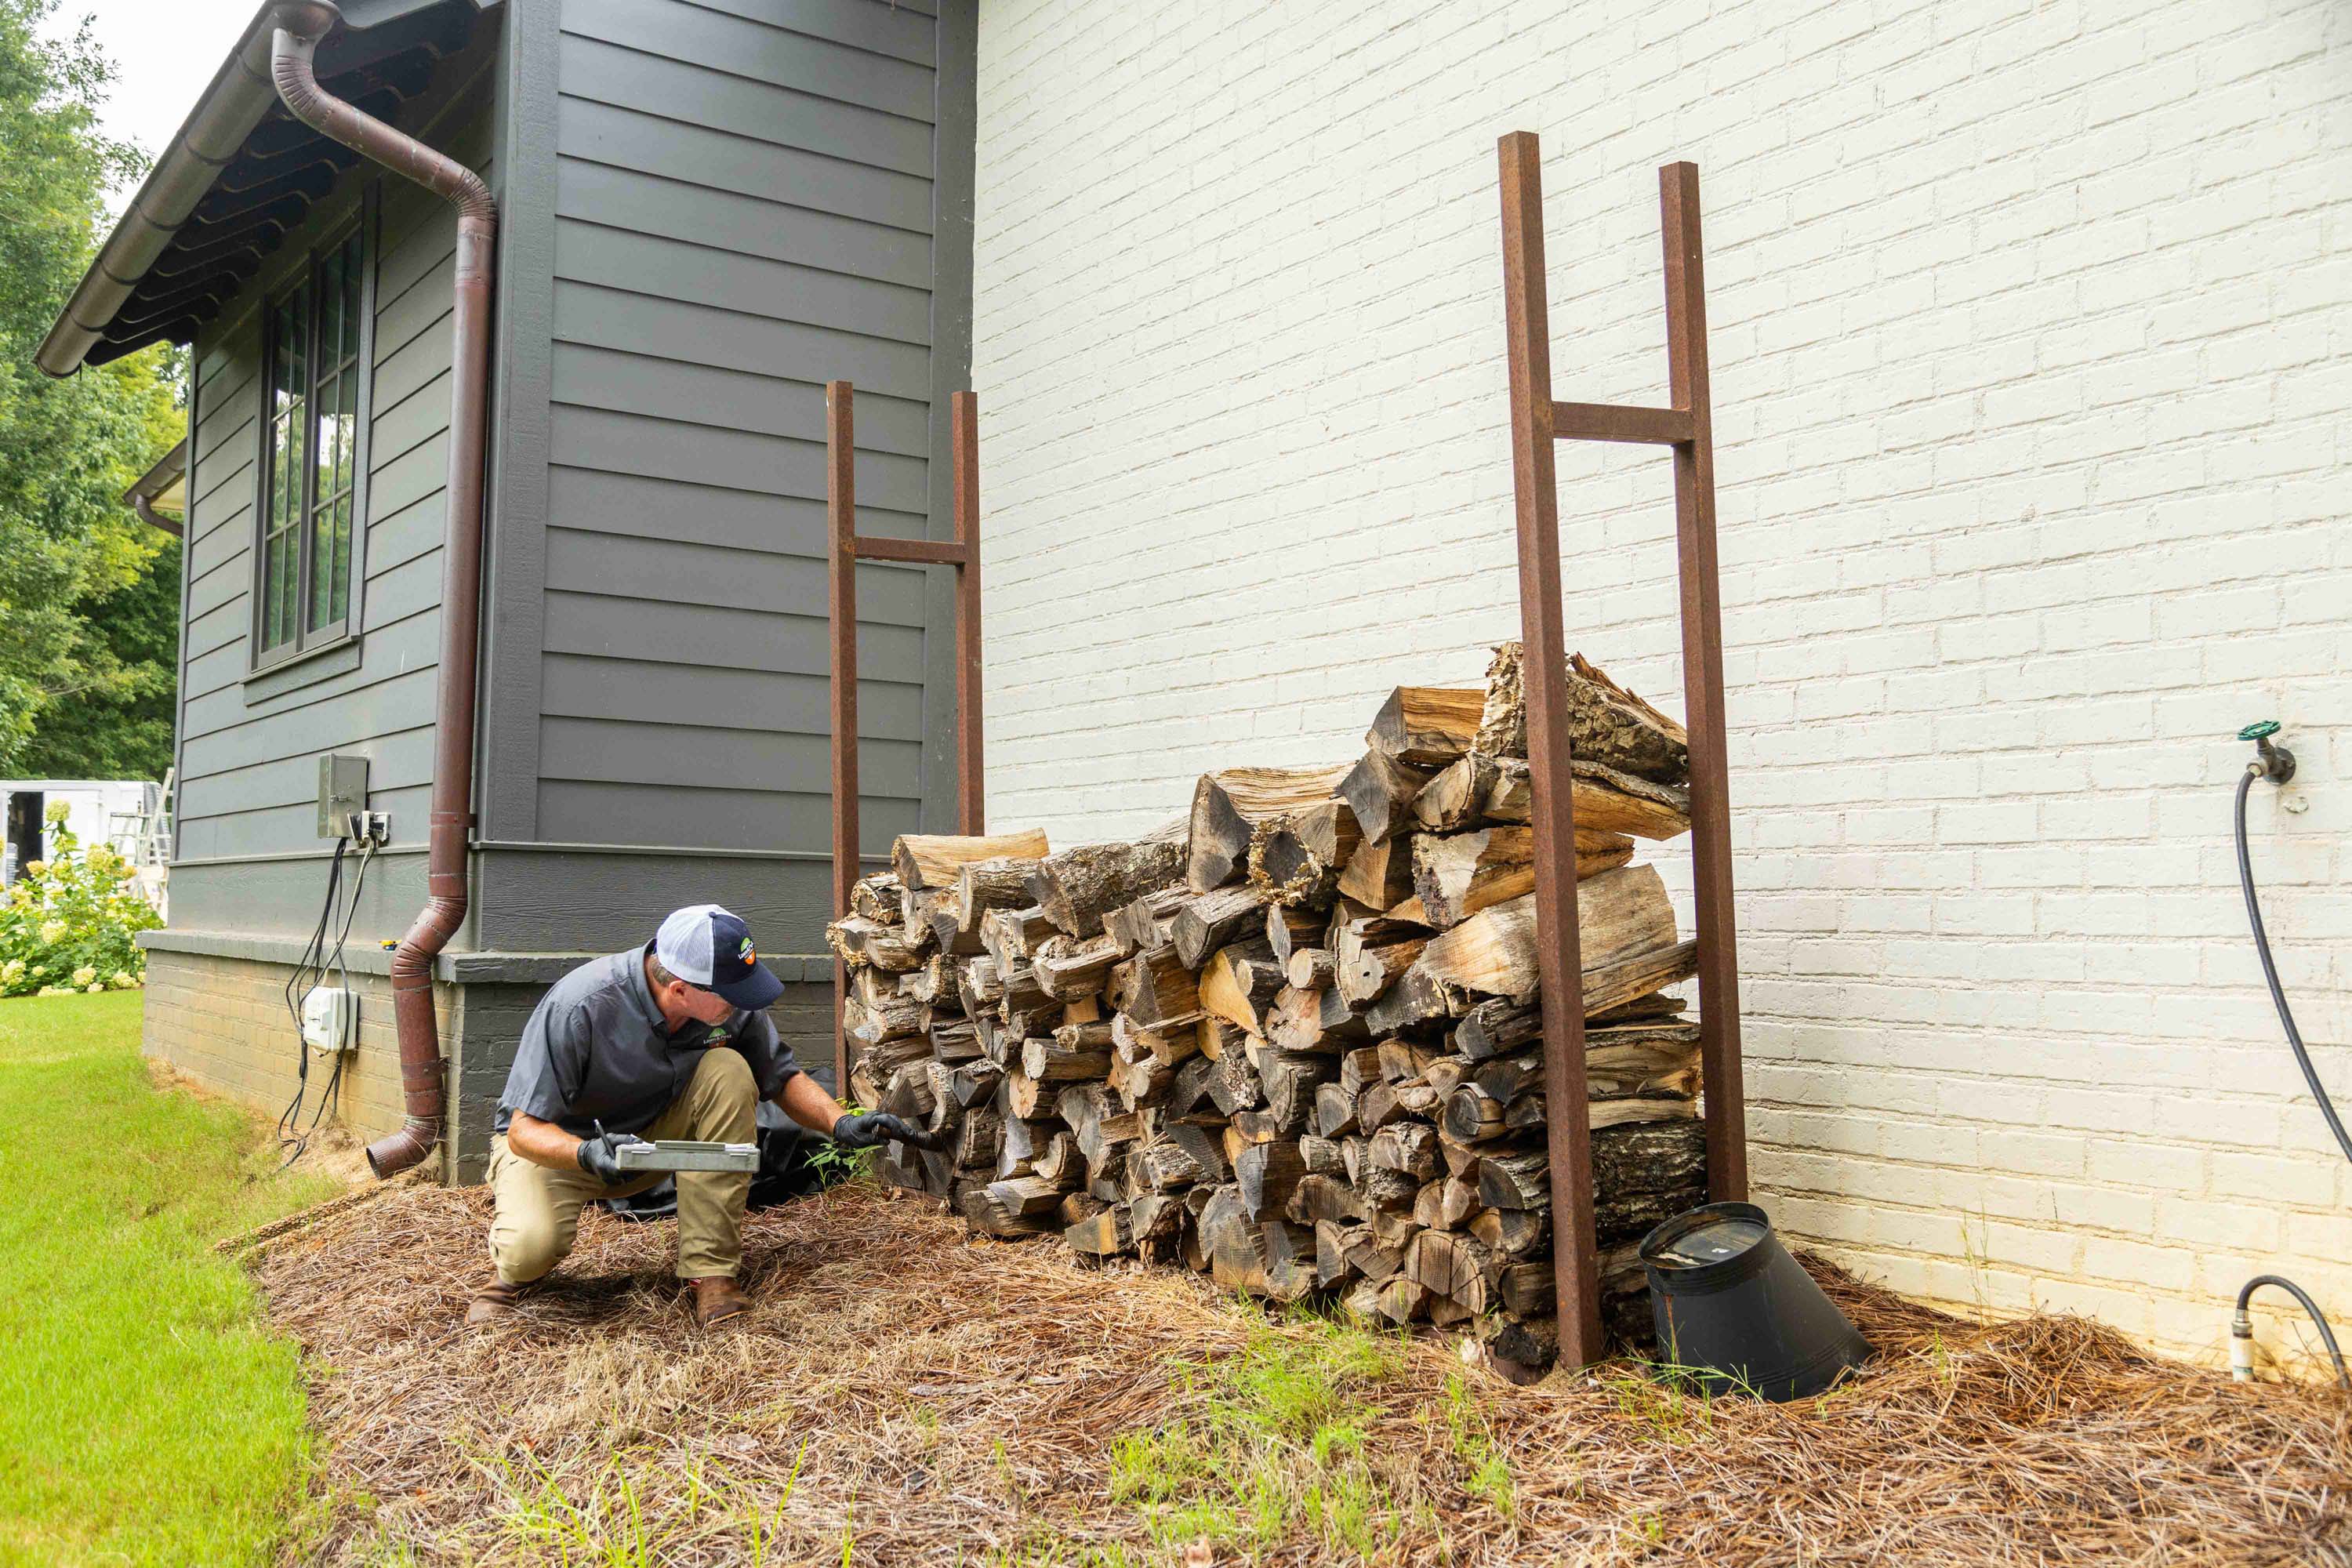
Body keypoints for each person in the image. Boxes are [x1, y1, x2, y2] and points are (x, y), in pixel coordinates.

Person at [467, 903, 935, 1327]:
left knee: (728, 1068)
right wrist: (587, 1153)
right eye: (731, 994)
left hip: (653, 1136)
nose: (743, 1002)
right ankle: (511, 1277)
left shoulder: (723, 1005)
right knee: (530, 1248)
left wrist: (840, 1122)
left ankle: (711, 1273)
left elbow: (782, 1077)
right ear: (680, 989)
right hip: (565, 1149)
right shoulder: (582, 1006)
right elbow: (523, 1131)